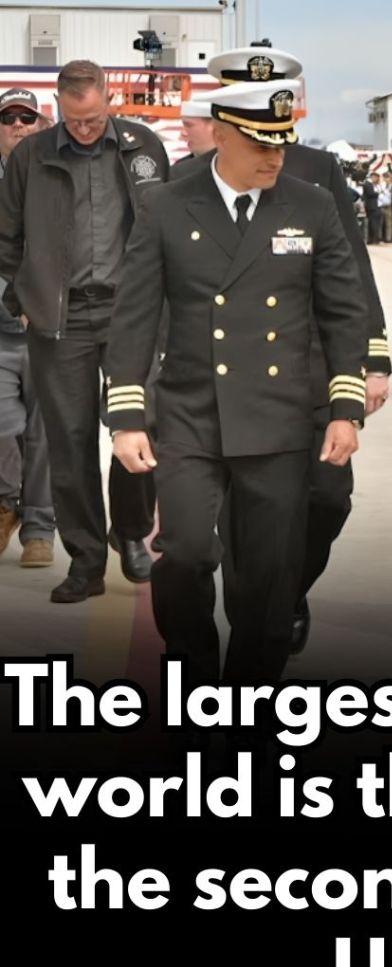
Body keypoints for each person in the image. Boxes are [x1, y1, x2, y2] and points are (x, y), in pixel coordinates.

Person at [105, 80, 368, 684]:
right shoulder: (167, 204)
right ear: (220, 135)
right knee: (185, 554)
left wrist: (344, 408)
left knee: (268, 577)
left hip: (278, 415)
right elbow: (135, 314)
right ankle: (195, 677)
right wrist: (126, 416)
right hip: (191, 411)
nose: (275, 157)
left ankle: (251, 695)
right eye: (260, 145)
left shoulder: (311, 205)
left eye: (282, 143)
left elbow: (343, 311)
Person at [175, 43, 391, 653]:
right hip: (222, 371)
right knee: (240, 511)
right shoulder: (185, 180)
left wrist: (372, 356)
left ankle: (285, 589)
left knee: (328, 498)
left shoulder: (319, 172)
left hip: (310, 362)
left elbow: (351, 270)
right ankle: (258, 612)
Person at [0, 60, 167, 601]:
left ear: (108, 99)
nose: (86, 129)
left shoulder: (143, 148)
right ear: (59, 107)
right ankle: (86, 562)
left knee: (139, 425)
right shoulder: (31, 157)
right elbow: (6, 238)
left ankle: (132, 532)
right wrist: (23, 298)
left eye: (94, 119)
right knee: (69, 444)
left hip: (130, 314)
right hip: (60, 319)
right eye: (75, 121)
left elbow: (164, 229)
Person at [0, 89, 56, 568]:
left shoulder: (56, 177)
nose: (17, 125)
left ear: (39, 125)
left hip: (49, 329)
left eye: (26, 117)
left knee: (44, 433)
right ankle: (5, 502)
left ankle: (39, 528)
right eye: (8, 118)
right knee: (4, 427)